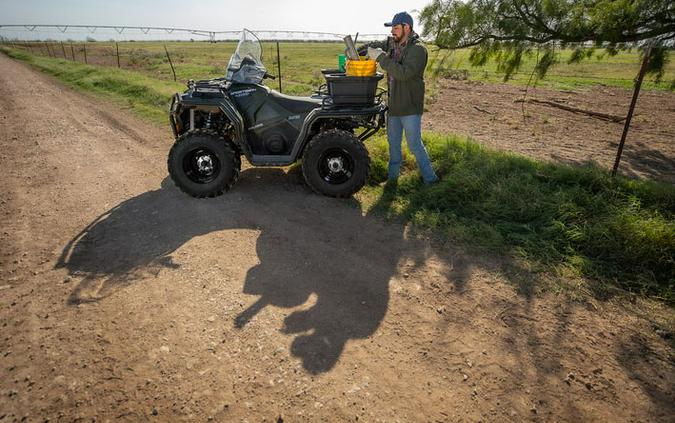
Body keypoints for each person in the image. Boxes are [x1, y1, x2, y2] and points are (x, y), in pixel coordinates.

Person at [366, 12, 439, 185]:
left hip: (410, 107)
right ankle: (392, 179)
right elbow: (379, 44)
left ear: (407, 28)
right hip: (394, 106)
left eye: (396, 28)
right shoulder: (394, 43)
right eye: (392, 28)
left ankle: (431, 179)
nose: (393, 31)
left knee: (414, 145)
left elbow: (403, 73)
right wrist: (362, 48)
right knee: (393, 145)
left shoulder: (418, 50)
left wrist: (381, 58)